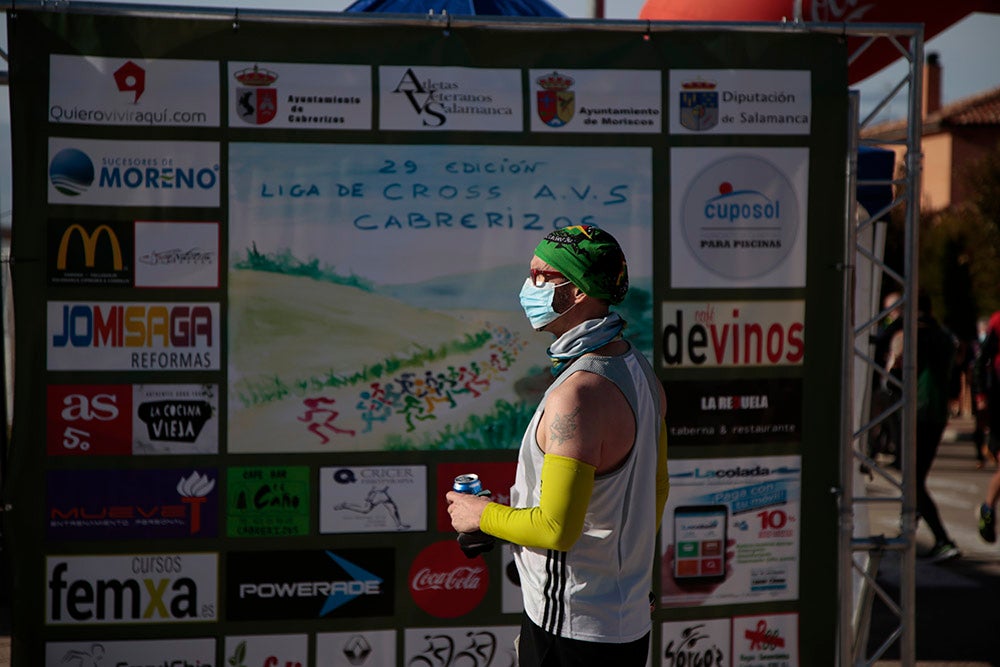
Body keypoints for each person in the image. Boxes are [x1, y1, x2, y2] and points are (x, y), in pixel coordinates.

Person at [446, 225, 669, 666]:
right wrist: (631, 576)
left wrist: (479, 515)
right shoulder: (639, 369)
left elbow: (556, 530)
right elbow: (655, 490)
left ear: (581, 291)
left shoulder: (579, 393)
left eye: (542, 277)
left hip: (569, 624)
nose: (529, 287)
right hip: (620, 619)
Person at [886, 290, 961, 562]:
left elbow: (891, 352)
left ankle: (942, 538)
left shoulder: (919, 335)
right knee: (914, 477)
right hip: (936, 411)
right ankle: (913, 522)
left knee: (912, 479)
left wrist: (898, 322)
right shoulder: (942, 335)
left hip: (920, 408)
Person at [974, 311, 1000, 543]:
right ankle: (988, 509)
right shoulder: (997, 321)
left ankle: (988, 507)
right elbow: (981, 361)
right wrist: (981, 394)